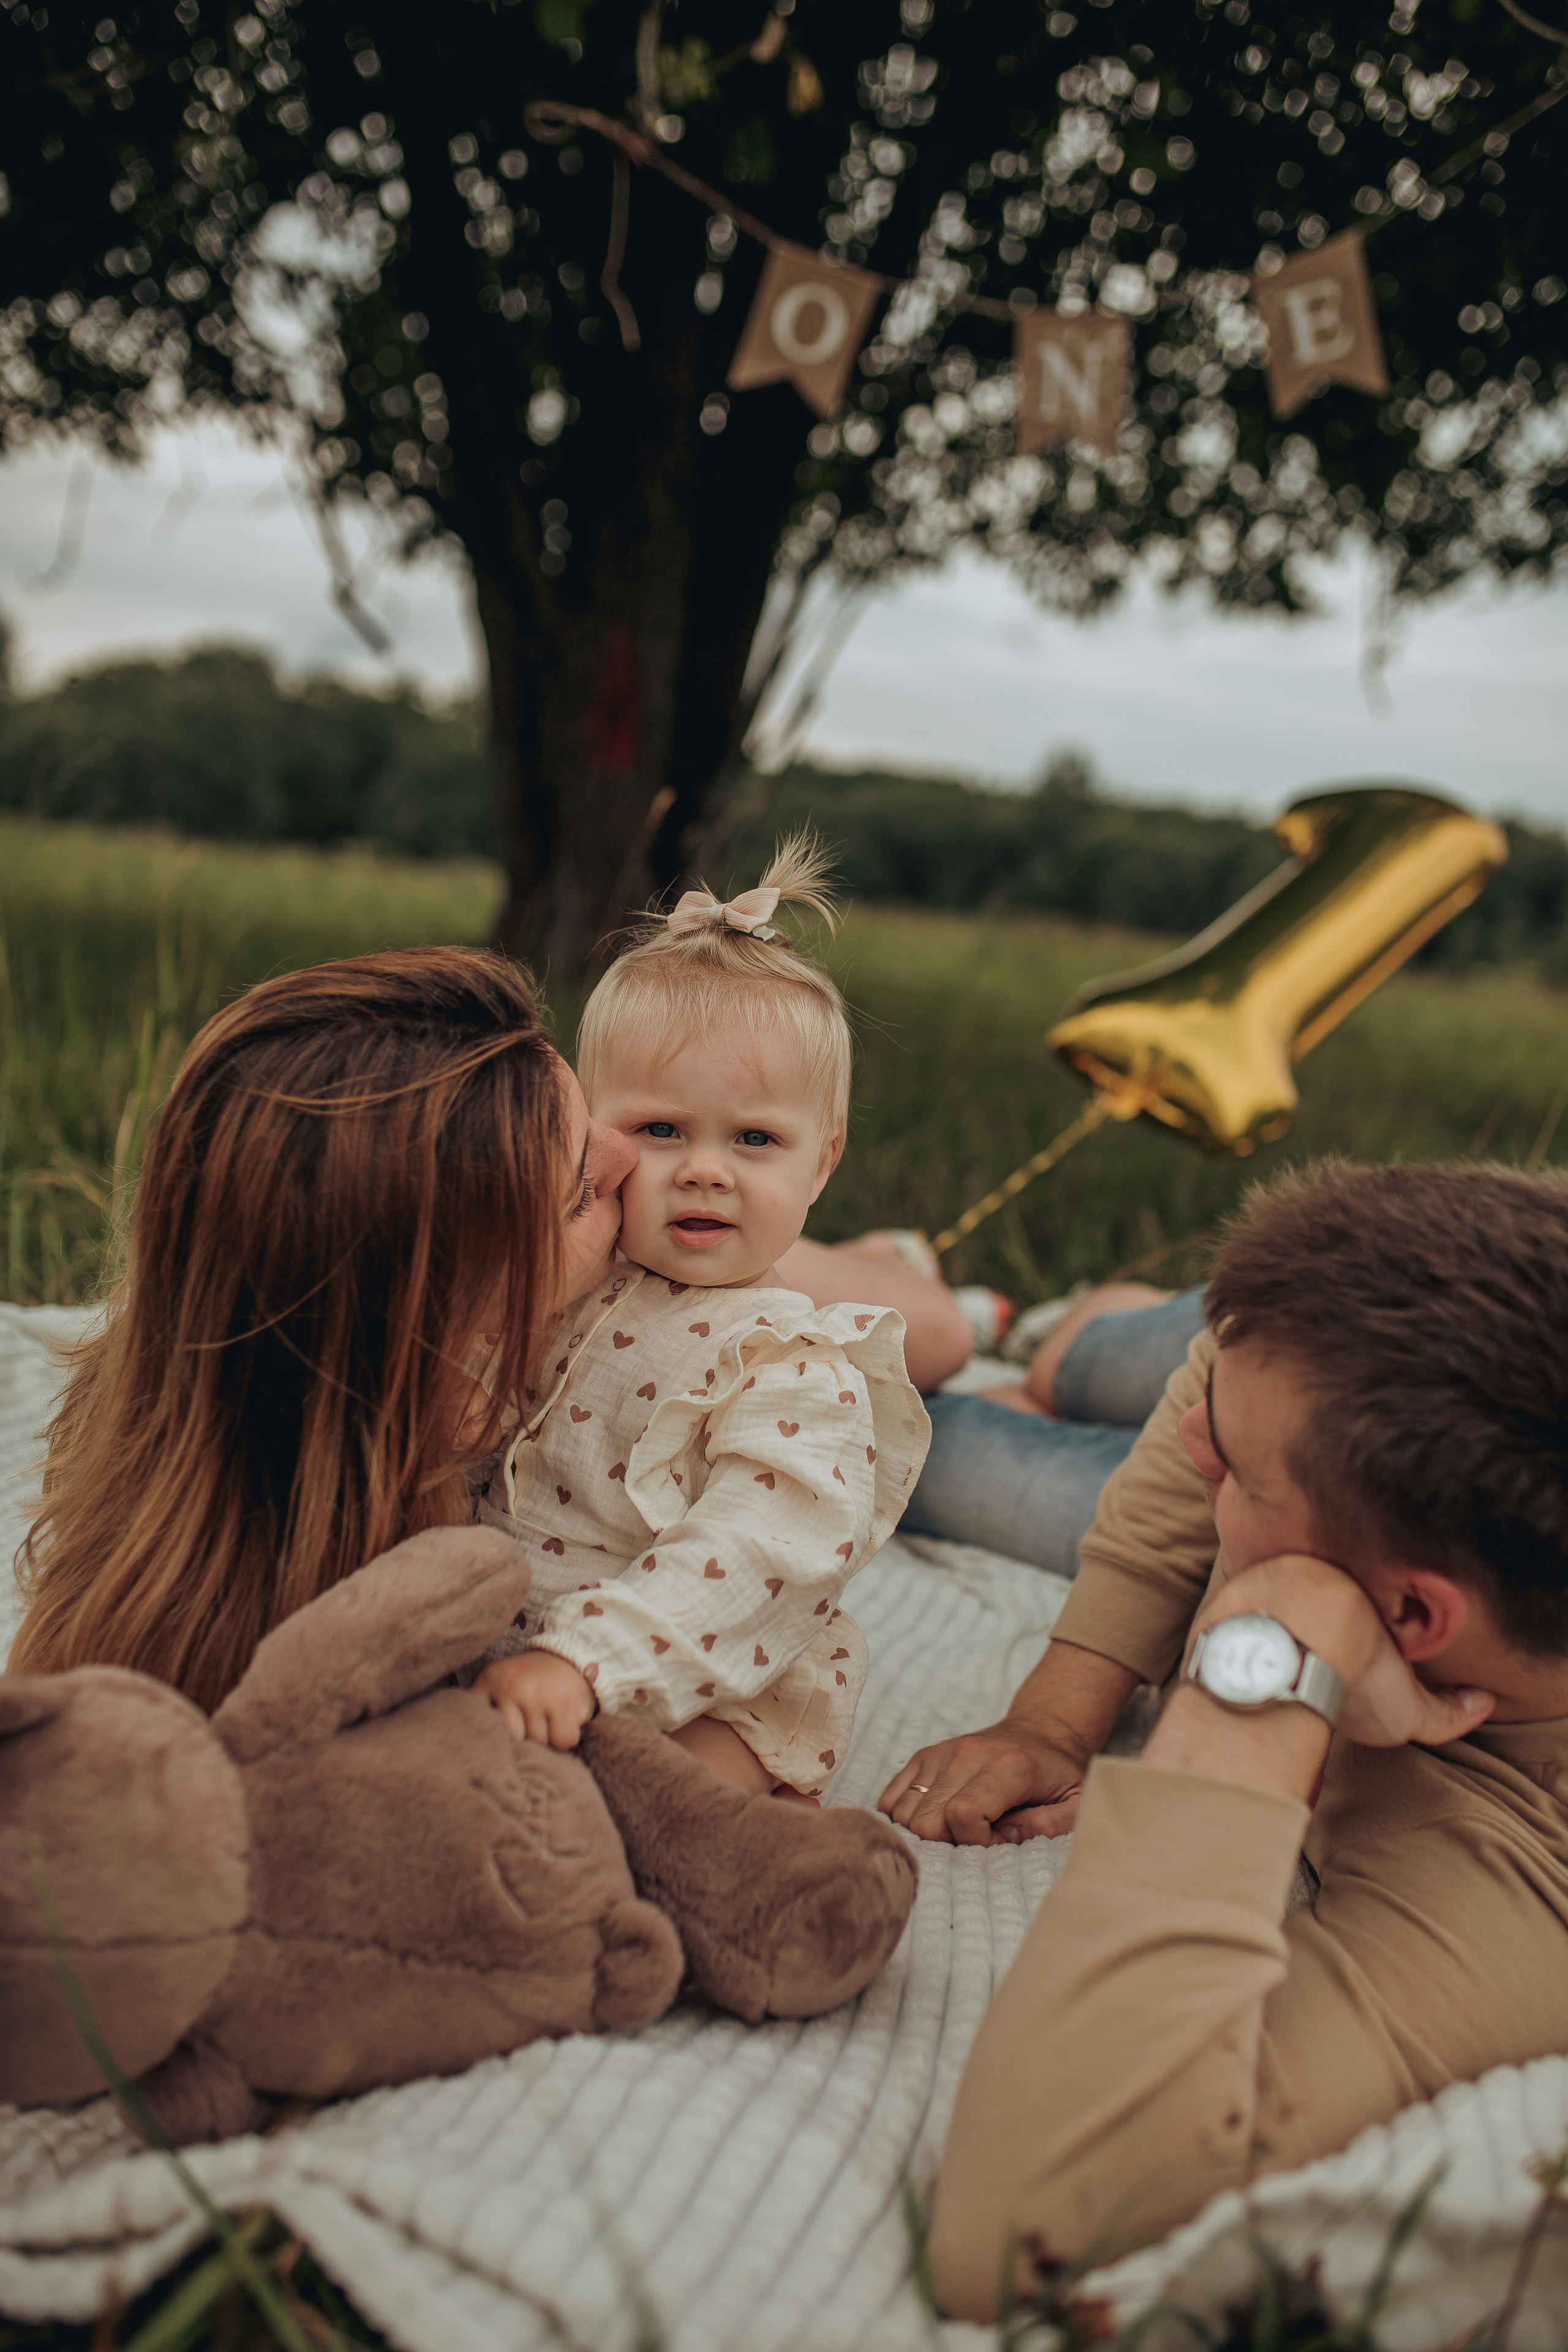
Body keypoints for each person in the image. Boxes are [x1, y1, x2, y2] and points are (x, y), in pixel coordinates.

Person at [879, 1160, 1568, 2309]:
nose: (1192, 1439)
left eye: (1237, 1467)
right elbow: (1226, 1364)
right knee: (1097, 1365)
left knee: (921, 1448)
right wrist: (1061, 1709)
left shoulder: (1526, 1889)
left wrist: (1270, 1652)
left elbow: (1023, 2222)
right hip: (1361, 1468)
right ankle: (1082, 1334)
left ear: (1409, 1619)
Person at [470, 840, 931, 1803]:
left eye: (755, 1139)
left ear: (823, 1163)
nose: (706, 1170)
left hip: (704, 1674)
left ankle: (757, 1853)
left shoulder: (797, 1366)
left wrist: (588, 1661)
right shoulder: (572, 1278)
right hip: (510, 1646)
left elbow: (757, 1554)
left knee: (651, 1803)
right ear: (593, 1134)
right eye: (661, 1130)